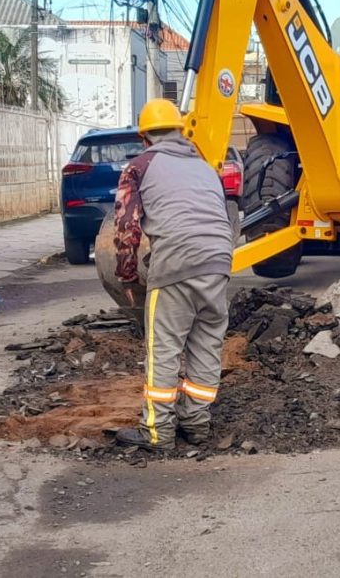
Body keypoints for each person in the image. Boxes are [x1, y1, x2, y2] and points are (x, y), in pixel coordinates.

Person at [111, 99, 233, 451]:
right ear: (180, 131)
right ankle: (196, 425)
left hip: (177, 264)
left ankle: (157, 433)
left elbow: (125, 228)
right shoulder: (205, 167)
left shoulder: (140, 166)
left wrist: (128, 277)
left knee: (164, 349)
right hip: (218, 262)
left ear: (145, 138)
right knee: (207, 344)